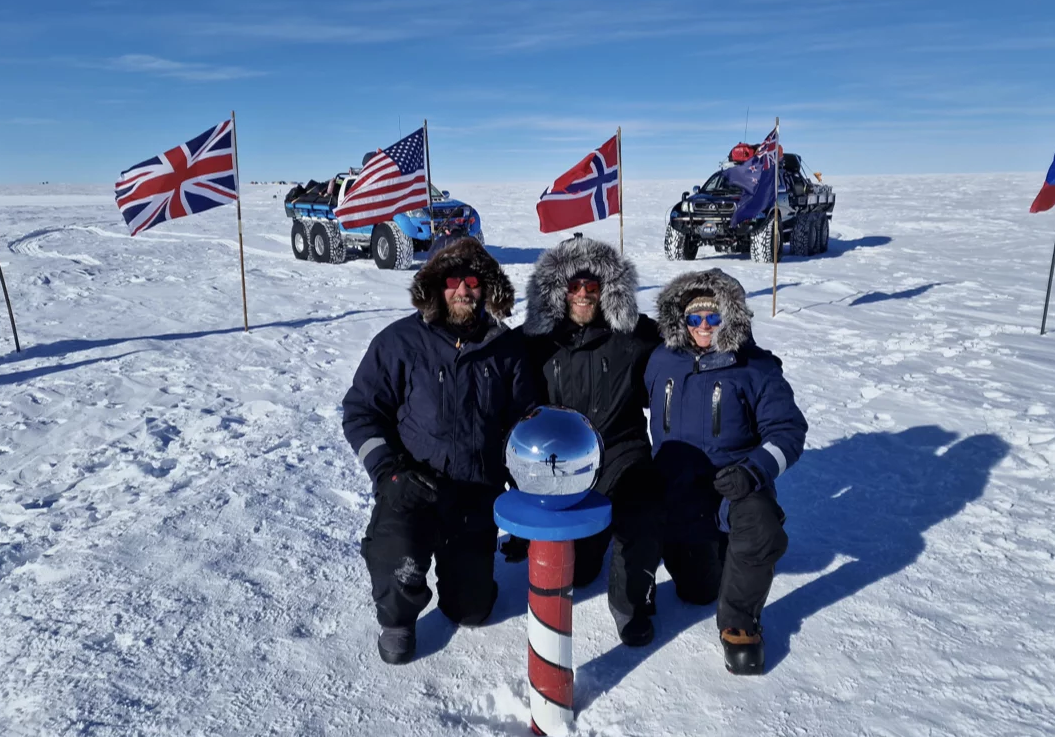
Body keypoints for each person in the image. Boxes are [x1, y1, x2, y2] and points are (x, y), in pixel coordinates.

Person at [342, 237, 533, 665]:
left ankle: (462, 578)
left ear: (487, 288)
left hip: (476, 490)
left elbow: (523, 428)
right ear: (434, 285)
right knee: (398, 561)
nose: (463, 289)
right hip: (412, 485)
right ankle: (397, 617)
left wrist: (523, 506)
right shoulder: (399, 342)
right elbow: (360, 411)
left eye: (473, 280)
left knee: (472, 610)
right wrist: (387, 471)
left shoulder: (505, 349)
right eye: (452, 279)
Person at [645, 268, 808, 674]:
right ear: (680, 320)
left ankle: (740, 621)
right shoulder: (661, 360)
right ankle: (713, 556)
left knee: (762, 527)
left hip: (736, 482)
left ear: (730, 317)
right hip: (681, 487)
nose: (703, 326)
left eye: (713, 317)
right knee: (698, 590)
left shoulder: (757, 368)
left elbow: (788, 431)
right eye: (694, 318)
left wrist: (754, 471)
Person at [516, 236, 663, 646]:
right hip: (562, 465)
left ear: (608, 290)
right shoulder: (532, 341)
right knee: (578, 574)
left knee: (643, 507)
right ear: (555, 290)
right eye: (573, 285)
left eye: (593, 286)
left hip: (621, 450)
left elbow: (692, 339)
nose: (583, 294)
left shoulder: (634, 335)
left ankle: (631, 604)